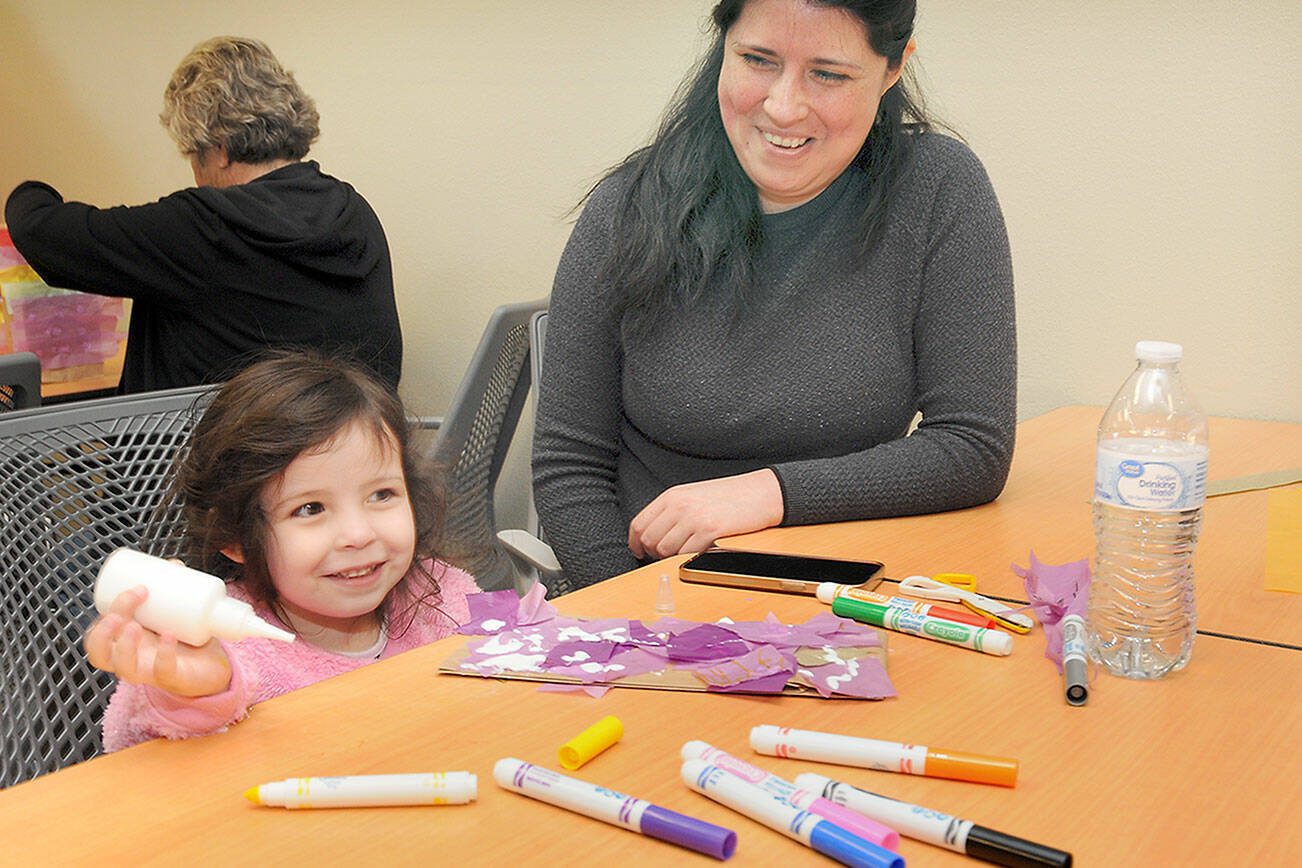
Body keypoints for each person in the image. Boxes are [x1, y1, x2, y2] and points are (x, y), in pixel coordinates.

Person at [532, 0, 1016, 589]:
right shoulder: (628, 206)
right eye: (757, 60)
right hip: (649, 592)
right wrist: (628, 617)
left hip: (846, 593)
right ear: (723, 47)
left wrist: (765, 494)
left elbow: (972, 446)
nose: (783, 106)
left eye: (829, 74)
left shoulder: (938, 187)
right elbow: (568, 467)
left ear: (893, 69)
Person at [85, 351, 477, 751]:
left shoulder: (440, 595)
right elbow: (148, 757)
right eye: (310, 509)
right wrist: (190, 697)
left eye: (382, 494)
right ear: (233, 535)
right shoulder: (225, 647)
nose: (358, 534)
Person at [4, 37, 401, 393]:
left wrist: (28, 190)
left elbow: (43, 232)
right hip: (341, 459)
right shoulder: (354, 212)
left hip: (206, 469)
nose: (195, 174)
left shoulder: (208, 225)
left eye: (194, 155)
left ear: (221, 148)